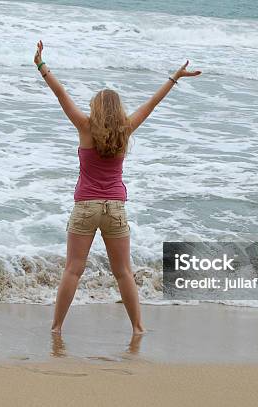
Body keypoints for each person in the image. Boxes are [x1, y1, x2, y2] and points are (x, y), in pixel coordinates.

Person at [34, 40, 201, 335]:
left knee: (73, 269)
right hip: (115, 209)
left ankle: (57, 327)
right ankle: (137, 328)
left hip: (85, 207)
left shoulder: (85, 127)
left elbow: (61, 94)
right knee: (123, 272)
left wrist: (41, 65)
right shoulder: (126, 129)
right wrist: (175, 77)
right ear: (118, 110)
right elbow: (152, 103)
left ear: (95, 109)